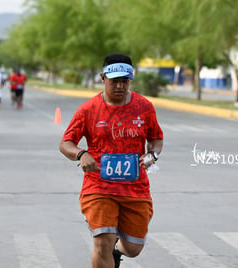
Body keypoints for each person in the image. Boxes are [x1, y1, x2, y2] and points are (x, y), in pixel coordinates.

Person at [59, 53, 164, 268]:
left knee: (134, 249)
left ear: (130, 80)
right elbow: (66, 143)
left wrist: (152, 154)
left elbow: (156, 138)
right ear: (102, 78)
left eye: (124, 81)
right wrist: (81, 154)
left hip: (135, 188)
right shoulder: (88, 109)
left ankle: (117, 251)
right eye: (114, 81)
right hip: (98, 186)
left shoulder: (144, 107)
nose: (119, 86)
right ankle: (109, 248)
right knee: (102, 242)